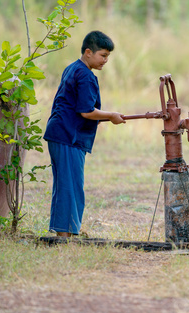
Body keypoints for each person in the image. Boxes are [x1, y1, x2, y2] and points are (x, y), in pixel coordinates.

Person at [43, 31, 125, 237]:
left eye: (108, 57)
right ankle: (65, 236)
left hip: (59, 134)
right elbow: (86, 111)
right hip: (68, 137)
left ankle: (66, 232)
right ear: (88, 52)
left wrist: (110, 116)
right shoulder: (86, 76)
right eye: (103, 55)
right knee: (71, 187)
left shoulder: (73, 68)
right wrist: (112, 116)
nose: (106, 60)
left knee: (66, 185)